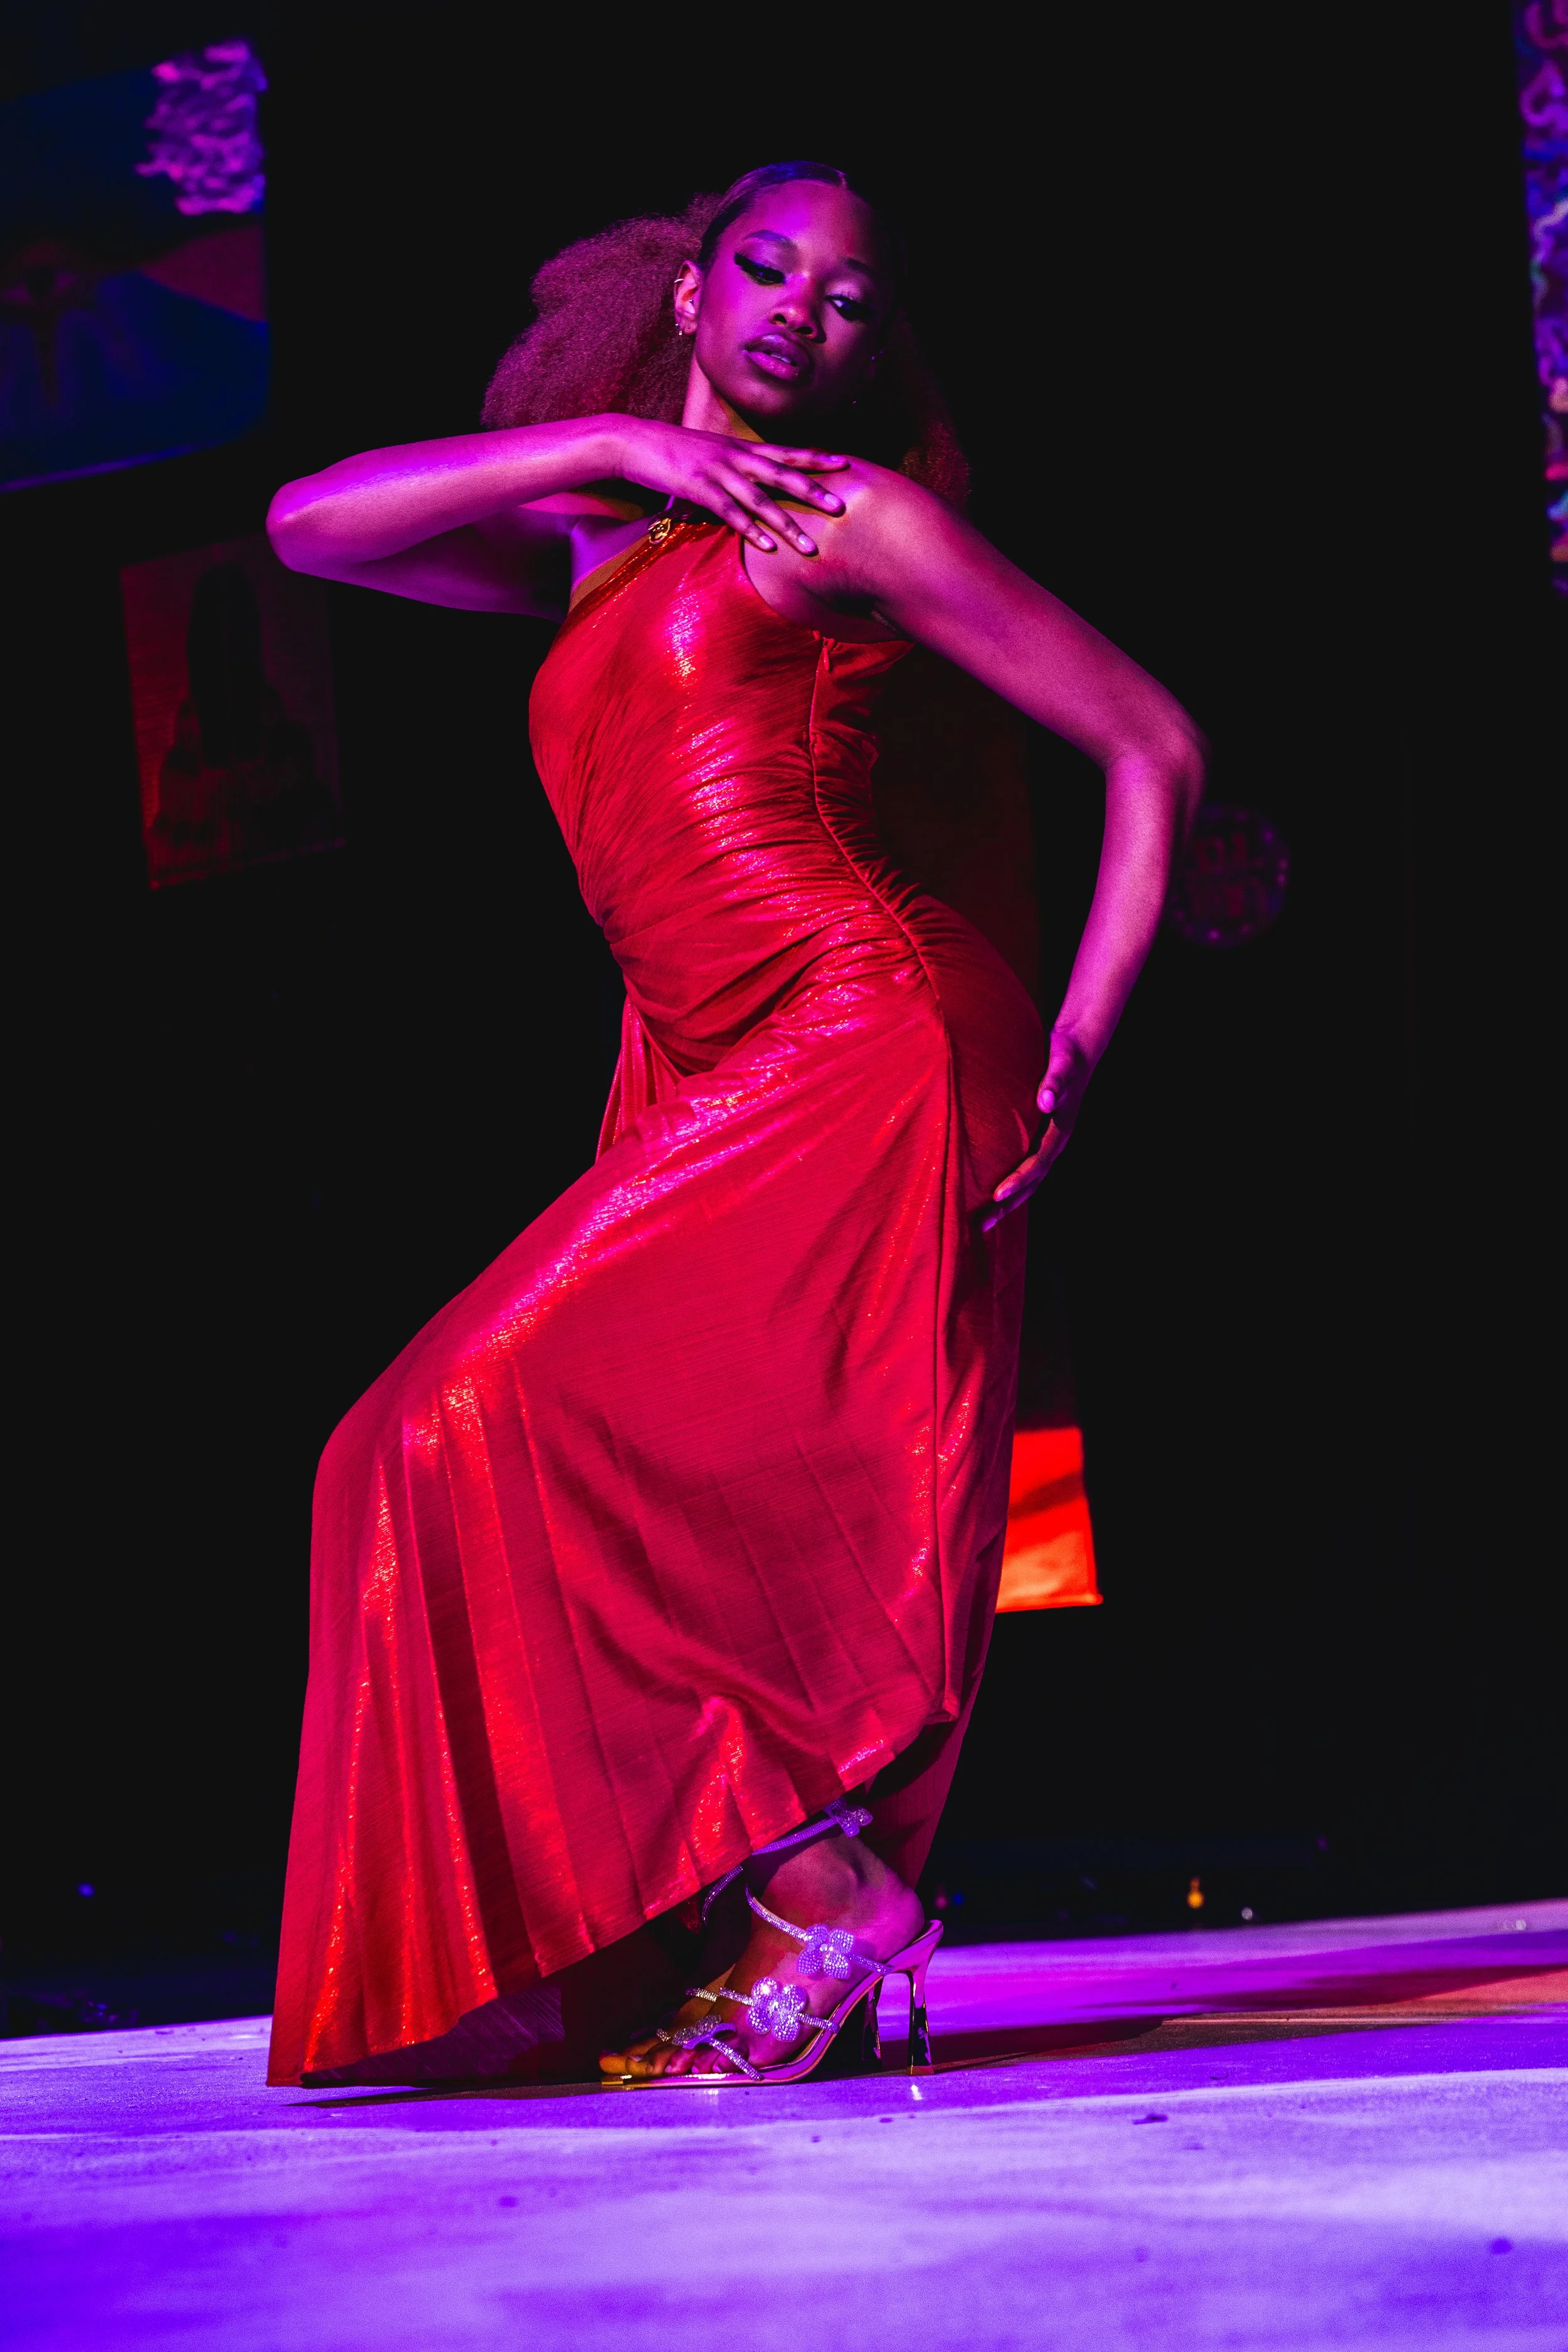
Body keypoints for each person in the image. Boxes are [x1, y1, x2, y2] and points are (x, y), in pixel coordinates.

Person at [263, 161, 1205, 2089]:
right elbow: (307, 527)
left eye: (850, 298)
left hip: (859, 1032)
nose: (801, 312)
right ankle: (789, 1883)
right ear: (689, 289)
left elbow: (1149, 742)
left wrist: (1084, 1037)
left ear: (874, 345)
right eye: (766, 270)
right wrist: (612, 444)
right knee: (551, 1475)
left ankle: (813, 1884)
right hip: (710, 1059)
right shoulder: (594, 534)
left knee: (437, 1432)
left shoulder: (849, 515)